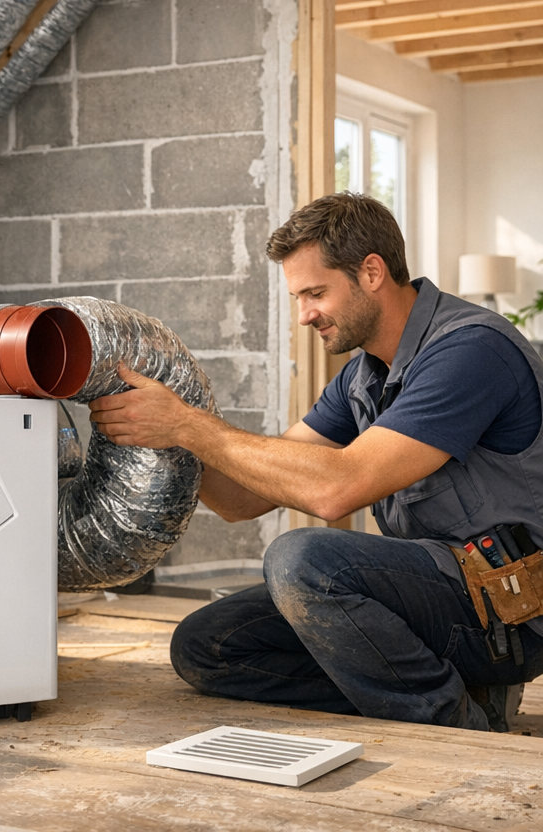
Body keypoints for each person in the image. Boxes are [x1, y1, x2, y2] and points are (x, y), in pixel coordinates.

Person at [89, 192, 543, 731]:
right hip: (437, 593)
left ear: (372, 271)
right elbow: (243, 499)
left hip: (511, 613)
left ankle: (455, 721)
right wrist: (168, 430)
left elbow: (337, 490)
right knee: (209, 646)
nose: (305, 315)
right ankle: (452, 689)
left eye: (315, 293)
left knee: (302, 560)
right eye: (297, 296)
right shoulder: (363, 377)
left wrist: (189, 425)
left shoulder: (470, 350)